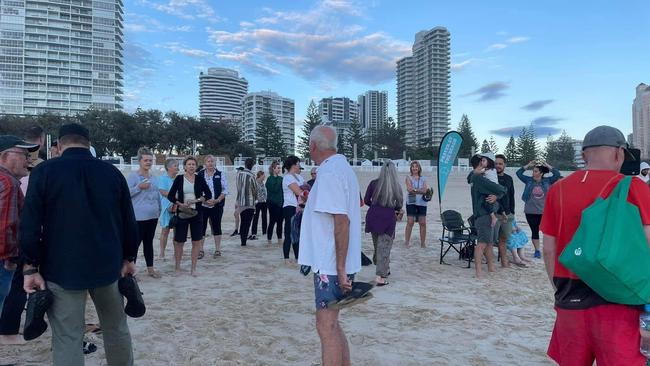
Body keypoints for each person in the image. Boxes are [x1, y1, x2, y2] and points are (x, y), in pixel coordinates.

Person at [21, 123, 137, 366]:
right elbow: (128, 220)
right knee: (116, 328)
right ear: (88, 143)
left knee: (68, 336)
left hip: (62, 267)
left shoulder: (44, 172)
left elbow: (30, 224)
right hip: (108, 265)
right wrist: (129, 257)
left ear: (60, 145)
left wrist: (30, 266)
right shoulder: (112, 173)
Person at [540, 125, 650, 365]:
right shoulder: (634, 187)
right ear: (619, 153)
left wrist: (559, 288)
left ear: (583, 155)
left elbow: (548, 248)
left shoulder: (557, 190)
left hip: (569, 301)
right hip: (621, 303)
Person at [298, 125, 361, 366]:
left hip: (332, 263)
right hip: (335, 261)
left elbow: (341, 221)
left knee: (326, 326)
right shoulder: (341, 167)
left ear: (312, 146)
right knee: (332, 323)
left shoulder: (329, 172)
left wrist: (341, 268)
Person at [0, 136, 38, 309]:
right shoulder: (8, 184)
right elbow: (5, 226)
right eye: (23, 154)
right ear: (4, 157)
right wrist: (11, 259)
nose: (28, 159)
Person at [167, 156, 211, 277]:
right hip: (182, 213)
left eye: (193, 164)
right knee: (179, 241)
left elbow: (208, 194)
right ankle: (177, 268)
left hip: (197, 213)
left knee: (196, 241)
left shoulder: (200, 179)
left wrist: (196, 200)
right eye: (189, 164)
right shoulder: (179, 178)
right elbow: (170, 196)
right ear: (185, 166)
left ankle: (193, 268)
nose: (191, 166)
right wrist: (180, 204)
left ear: (196, 167)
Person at [364, 160, 404, 286]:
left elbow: (366, 200)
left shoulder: (373, 183)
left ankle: (383, 267)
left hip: (373, 215)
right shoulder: (395, 186)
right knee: (384, 247)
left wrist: (375, 206)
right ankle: (380, 276)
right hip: (387, 218)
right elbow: (399, 204)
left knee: (377, 246)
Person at [468, 154, 507, 278]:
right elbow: (502, 189)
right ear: (480, 163)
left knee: (489, 243)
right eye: (482, 160)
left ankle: (491, 268)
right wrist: (498, 195)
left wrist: (496, 196)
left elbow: (470, 177)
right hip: (484, 215)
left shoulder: (475, 176)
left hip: (481, 214)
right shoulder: (479, 178)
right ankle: (478, 271)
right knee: (482, 244)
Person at [127, 148, 161, 278]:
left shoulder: (154, 177)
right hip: (138, 217)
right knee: (135, 244)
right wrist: (138, 187)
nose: (148, 162)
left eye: (150, 160)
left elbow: (157, 195)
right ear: (140, 161)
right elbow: (126, 194)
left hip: (153, 216)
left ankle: (151, 269)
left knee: (149, 242)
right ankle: (131, 272)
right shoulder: (133, 176)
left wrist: (159, 209)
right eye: (146, 160)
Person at [517, 160, 561, 258]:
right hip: (530, 211)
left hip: (544, 212)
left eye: (536, 171)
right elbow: (519, 173)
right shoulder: (528, 180)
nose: (533, 173)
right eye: (533, 171)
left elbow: (557, 174)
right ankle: (537, 251)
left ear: (541, 173)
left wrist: (547, 165)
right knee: (534, 231)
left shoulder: (547, 181)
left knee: (548, 231)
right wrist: (528, 165)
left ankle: (551, 249)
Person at [198, 155, 227, 258]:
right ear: (205, 163)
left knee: (216, 227)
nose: (210, 163)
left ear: (215, 163)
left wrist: (217, 200)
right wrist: (204, 201)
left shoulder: (220, 174)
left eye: (212, 161)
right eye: (208, 161)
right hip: (203, 206)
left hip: (217, 205)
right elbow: (197, 191)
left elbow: (224, 190)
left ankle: (218, 249)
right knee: (201, 228)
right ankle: (200, 250)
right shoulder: (200, 175)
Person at [495, 154, 517, 267]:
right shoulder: (491, 178)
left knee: (503, 239)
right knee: (490, 241)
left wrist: (512, 211)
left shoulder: (509, 179)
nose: (498, 166)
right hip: (495, 214)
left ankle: (504, 262)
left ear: (504, 165)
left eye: (500, 164)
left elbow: (511, 195)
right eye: (496, 163)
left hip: (507, 214)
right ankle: (489, 263)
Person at [282, 156, 305, 264]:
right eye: (298, 163)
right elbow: (299, 191)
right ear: (294, 165)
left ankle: (298, 257)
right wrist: (304, 191)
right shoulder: (287, 177)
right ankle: (286, 258)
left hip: (301, 207)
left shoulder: (299, 177)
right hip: (290, 207)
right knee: (289, 232)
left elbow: (306, 189)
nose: (299, 165)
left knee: (298, 233)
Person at [158, 159, 179, 261]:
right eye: (175, 165)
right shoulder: (163, 178)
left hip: (178, 206)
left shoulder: (179, 179)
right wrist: (174, 198)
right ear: (169, 167)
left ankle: (176, 253)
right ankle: (162, 253)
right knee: (165, 231)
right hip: (166, 207)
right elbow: (162, 191)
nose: (177, 167)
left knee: (177, 232)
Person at [404, 161, 428, 248]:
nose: (414, 168)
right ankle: (406, 242)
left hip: (422, 202)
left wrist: (415, 190)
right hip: (411, 201)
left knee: (423, 223)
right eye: (413, 167)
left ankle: (422, 243)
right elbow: (409, 189)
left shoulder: (423, 178)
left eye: (416, 166)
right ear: (411, 168)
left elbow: (425, 190)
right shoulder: (408, 177)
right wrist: (419, 190)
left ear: (419, 168)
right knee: (410, 222)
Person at [235, 158, 257, 247]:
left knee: (243, 221)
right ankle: (244, 241)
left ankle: (242, 240)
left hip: (240, 201)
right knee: (247, 223)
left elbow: (237, 186)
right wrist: (256, 198)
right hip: (249, 202)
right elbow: (255, 189)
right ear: (252, 165)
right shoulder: (251, 175)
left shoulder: (239, 174)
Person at [266, 161, 284, 246]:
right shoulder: (269, 179)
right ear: (273, 169)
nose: (279, 169)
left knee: (280, 222)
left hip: (280, 203)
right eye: (278, 168)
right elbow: (274, 189)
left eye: (280, 168)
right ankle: (269, 239)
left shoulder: (281, 178)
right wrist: (279, 180)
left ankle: (279, 239)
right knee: (272, 221)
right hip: (272, 203)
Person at [250, 171, 267, 241]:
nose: (264, 177)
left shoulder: (263, 183)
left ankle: (264, 232)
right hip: (257, 203)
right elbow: (253, 193)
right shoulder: (255, 182)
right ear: (260, 175)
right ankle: (254, 233)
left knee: (264, 217)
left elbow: (264, 192)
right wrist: (255, 200)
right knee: (255, 218)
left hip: (264, 202)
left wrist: (266, 199)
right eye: (264, 175)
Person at [230, 167, 244, 237]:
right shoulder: (238, 179)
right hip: (239, 199)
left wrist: (238, 201)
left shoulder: (242, 179)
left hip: (242, 200)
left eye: (238, 171)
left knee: (237, 214)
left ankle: (239, 230)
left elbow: (241, 191)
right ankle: (238, 230)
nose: (237, 172)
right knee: (237, 214)